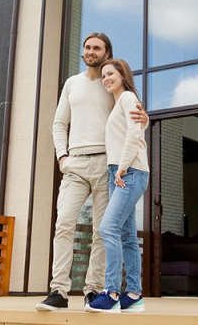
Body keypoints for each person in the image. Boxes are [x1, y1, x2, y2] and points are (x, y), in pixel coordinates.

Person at [35, 33, 147, 312]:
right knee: (64, 223)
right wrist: (62, 156)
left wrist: (145, 118)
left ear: (106, 52)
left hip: (106, 164)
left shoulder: (112, 84)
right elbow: (59, 123)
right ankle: (59, 291)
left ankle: (93, 289)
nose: (90, 51)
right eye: (87, 47)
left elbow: (131, 116)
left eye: (97, 48)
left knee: (101, 230)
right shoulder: (72, 84)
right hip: (74, 164)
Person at [86, 59, 150, 313]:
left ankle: (111, 293)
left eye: (110, 73)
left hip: (129, 171)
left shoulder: (127, 98)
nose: (106, 79)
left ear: (123, 75)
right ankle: (133, 295)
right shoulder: (119, 103)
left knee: (108, 227)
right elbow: (136, 127)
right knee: (127, 236)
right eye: (103, 76)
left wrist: (122, 167)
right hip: (120, 172)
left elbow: (134, 134)